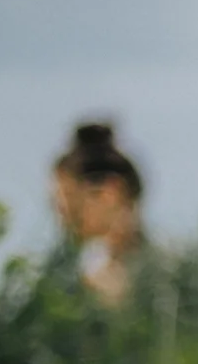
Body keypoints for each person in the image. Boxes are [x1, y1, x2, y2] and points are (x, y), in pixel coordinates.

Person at [52, 121, 146, 307]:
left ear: (108, 194)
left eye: (71, 200)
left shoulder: (169, 272)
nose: (63, 216)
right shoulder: (89, 269)